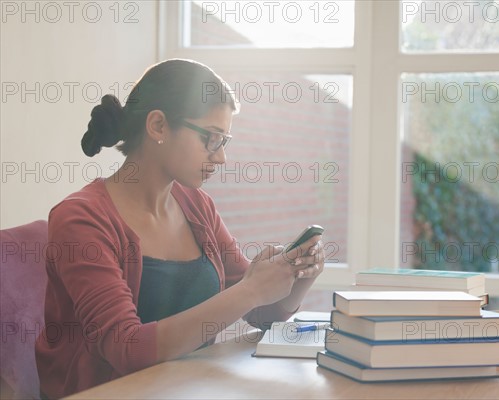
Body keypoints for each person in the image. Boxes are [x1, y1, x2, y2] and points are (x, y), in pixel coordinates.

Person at [35, 59, 324, 399]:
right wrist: (251, 290)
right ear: (157, 125)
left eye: (224, 141)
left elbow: (261, 312)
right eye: (210, 139)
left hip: (189, 389)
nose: (220, 159)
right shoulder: (80, 220)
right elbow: (127, 348)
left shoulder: (197, 208)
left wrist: (295, 279)